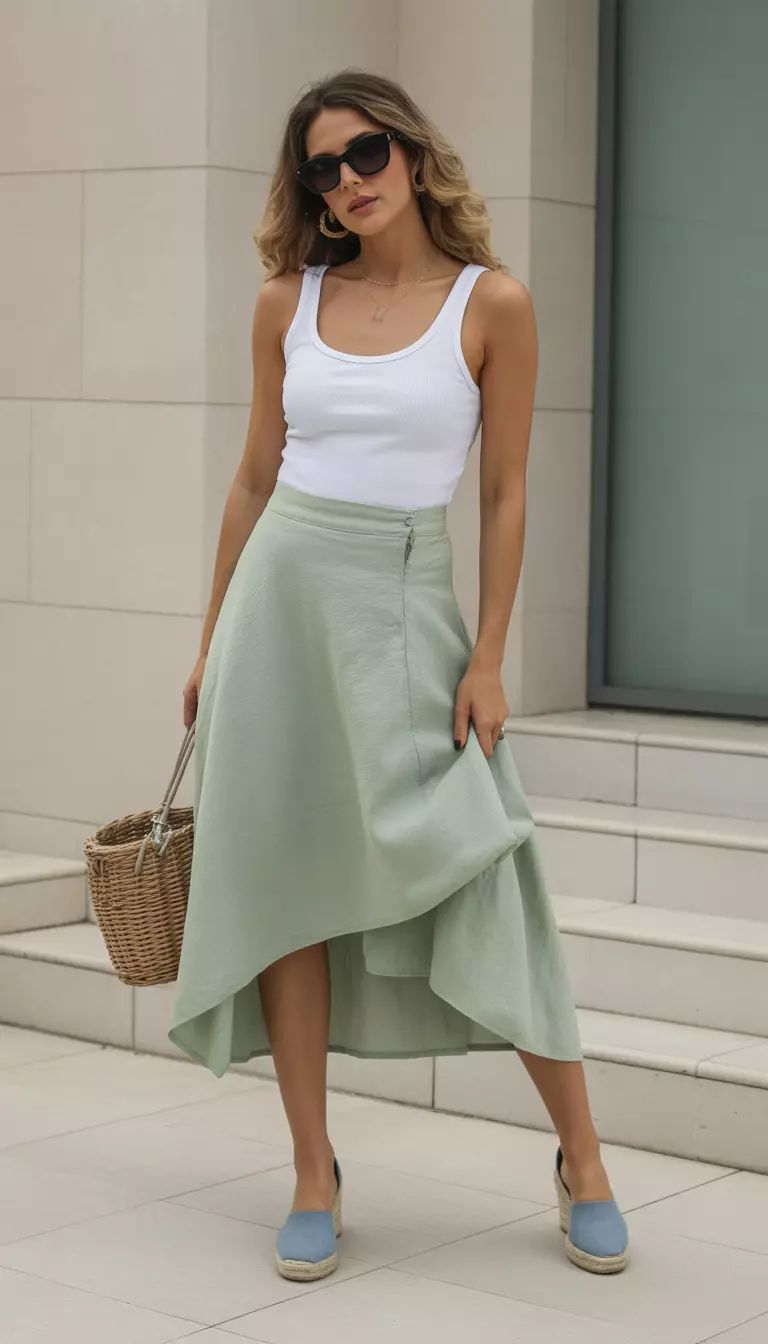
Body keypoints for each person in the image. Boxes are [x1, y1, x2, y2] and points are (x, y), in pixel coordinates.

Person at [170, 68, 629, 1281]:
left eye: (365, 153)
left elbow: (507, 490)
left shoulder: (495, 303)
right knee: (284, 885)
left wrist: (489, 656)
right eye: (322, 168)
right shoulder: (287, 301)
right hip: (283, 606)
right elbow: (255, 477)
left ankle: (583, 1155)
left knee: (489, 865)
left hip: (413, 609)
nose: (349, 181)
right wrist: (212, 641)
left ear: (412, 154)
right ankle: (313, 1170)